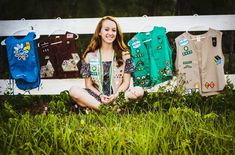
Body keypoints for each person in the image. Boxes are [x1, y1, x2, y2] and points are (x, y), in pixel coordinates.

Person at [69, 16, 144, 110]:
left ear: (117, 33)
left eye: (113, 30)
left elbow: (126, 83)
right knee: (73, 90)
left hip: (118, 96)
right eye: (106, 29)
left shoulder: (125, 55)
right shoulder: (90, 56)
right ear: (99, 32)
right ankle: (104, 109)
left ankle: (106, 108)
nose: (110, 33)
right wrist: (100, 95)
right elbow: (88, 85)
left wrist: (115, 95)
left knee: (139, 91)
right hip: (97, 97)